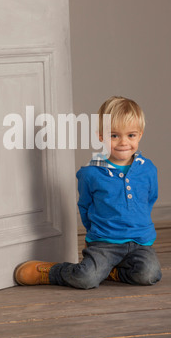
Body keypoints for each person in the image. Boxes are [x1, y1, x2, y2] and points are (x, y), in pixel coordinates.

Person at [14, 96, 162, 289]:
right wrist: (96, 231)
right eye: (114, 135)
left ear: (140, 134)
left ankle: (111, 271)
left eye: (131, 135)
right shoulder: (91, 173)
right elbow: (85, 206)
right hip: (104, 242)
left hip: (140, 241)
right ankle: (50, 271)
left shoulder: (147, 169)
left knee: (149, 274)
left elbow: (150, 199)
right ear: (101, 136)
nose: (123, 142)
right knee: (85, 279)